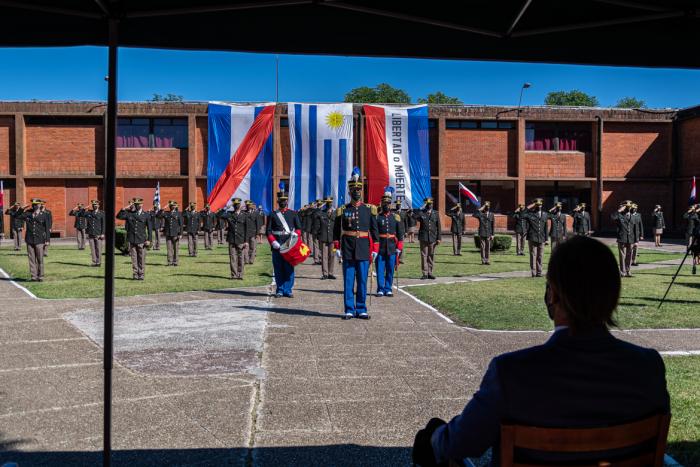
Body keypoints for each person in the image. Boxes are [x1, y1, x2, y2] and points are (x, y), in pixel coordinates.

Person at [413, 236, 670, 467]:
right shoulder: (649, 367)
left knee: (433, 439)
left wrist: (434, 437)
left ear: (553, 295)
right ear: (613, 297)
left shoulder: (512, 373)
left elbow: (460, 443)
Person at [333, 168, 379, 319]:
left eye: (359, 189)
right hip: (347, 247)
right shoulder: (342, 210)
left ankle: (361, 308)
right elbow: (335, 230)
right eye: (353, 189)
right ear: (349, 191)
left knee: (362, 280)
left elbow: (374, 230)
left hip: (364, 248)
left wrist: (375, 248)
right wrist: (337, 247)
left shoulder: (369, 209)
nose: (356, 191)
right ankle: (349, 309)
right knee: (348, 280)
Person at [267, 183, 301, 297]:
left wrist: (294, 238)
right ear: (278, 202)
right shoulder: (272, 214)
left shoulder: (293, 213)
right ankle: (280, 289)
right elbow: (268, 231)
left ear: (287, 201)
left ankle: (288, 289)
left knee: (289, 268)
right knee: (278, 268)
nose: (283, 202)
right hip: (277, 244)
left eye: (284, 200)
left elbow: (299, 229)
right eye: (281, 201)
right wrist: (273, 242)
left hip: (289, 245)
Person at [375, 187, 404, 297]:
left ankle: (388, 288)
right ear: (382, 204)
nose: (386, 205)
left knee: (390, 268)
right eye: (385, 203)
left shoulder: (395, 217)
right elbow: (375, 233)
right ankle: (380, 288)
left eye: (388, 203)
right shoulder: (378, 217)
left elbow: (400, 233)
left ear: (390, 204)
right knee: (380, 268)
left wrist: (399, 247)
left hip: (392, 246)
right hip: (381, 246)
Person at [116, 198, 152, 280]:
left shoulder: (146, 215)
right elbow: (118, 216)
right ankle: (135, 274)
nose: (137, 205)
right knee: (134, 258)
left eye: (139, 204)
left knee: (141, 258)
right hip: (132, 239)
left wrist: (149, 240)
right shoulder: (130, 214)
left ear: (142, 204)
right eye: (136, 204)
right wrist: (123, 209)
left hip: (142, 240)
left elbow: (149, 229)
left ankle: (141, 274)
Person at [218, 198, 250, 280]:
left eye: (238, 205)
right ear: (233, 206)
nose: (236, 206)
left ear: (240, 206)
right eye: (235, 205)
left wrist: (246, 241)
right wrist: (226, 208)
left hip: (241, 239)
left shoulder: (244, 215)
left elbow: (247, 229)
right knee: (233, 258)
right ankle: (233, 275)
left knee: (241, 258)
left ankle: (240, 274)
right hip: (232, 239)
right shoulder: (229, 214)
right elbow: (218, 215)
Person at [18, 199, 50, 281]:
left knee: (40, 259)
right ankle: (33, 276)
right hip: (29, 239)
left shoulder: (45, 215)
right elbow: (17, 216)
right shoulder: (28, 213)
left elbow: (47, 228)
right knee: (31, 259)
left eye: (36, 204)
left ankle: (41, 276)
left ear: (40, 205)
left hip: (40, 240)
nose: (35, 206)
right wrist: (22, 208)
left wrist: (47, 240)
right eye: (34, 204)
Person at [416, 197, 441, 280]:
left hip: (433, 238)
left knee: (431, 255)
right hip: (423, 238)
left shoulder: (436, 213)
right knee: (424, 255)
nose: (430, 205)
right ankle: (424, 273)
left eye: (431, 204)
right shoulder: (422, 213)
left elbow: (439, 227)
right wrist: (422, 207)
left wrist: (439, 238)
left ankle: (430, 272)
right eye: (428, 204)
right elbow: (415, 216)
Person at [313, 195, 337, 280]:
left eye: (330, 203)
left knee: (332, 255)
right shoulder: (321, 213)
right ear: (325, 203)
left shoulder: (335, 213)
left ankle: (331, 273)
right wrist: (318, 235)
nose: (329, 204)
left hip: (332, 238)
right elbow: (317, 224)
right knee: (324, 256)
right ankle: (325, 273)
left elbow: (337, 226)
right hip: (323, 237)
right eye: (327, 203)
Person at [524, 198, 547, 277]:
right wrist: (531, 206)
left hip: (541, 238)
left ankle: (539, 272)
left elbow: (545, 228)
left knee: (540, 256)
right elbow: (522, 214)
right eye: (537, 204)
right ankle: (533, 272)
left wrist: (546, 239)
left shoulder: (545, 214)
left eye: (540, 204)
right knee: (533, 255)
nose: (539, 206)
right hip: (532, 237)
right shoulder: (530, 214)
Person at [611, 200, 635, 278]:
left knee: (629, 255)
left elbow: (635, 228)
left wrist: (636, 240)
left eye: (629, 207)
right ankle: (622, 271)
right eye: (626, 207)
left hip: (631, 238)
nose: (628, 208)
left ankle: (628, 271)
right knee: (622, 255)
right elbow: (612, 217)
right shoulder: (619, 215)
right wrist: (619, 210)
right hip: (622, 237)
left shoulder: (633, 216)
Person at [158, 200, 183, 267]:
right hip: (168, 233)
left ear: (175, 206)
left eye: (173, 205)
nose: (172, 207)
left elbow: (181, 224)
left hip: (175, 233)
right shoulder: (166, 213)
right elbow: (158, 216)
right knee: (169, 248)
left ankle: (176, 261)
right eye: (171, 205)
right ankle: (170, 262)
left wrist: (180, 234)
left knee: (176, 248)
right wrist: (163, 208)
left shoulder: (178, 214)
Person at [84, 199, 105, 267]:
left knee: (98, 248)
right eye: (93, 205)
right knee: (92, 249)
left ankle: (98, 262)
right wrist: (84, 209)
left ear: (98, 205)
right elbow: (80, 214)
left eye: (96, 205)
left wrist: (102, 233)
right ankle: (94, 262)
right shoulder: (89, 212)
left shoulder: (102, 213)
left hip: (98, 233)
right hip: (90, 233)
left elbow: (103, 224)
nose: (94, 206)